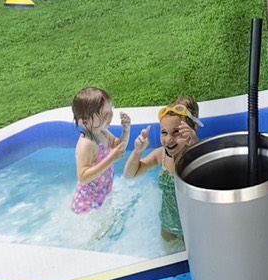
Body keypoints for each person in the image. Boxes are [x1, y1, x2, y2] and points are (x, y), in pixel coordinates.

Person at [125, 97, 200, 240]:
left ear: (193, 129)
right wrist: (137, 152)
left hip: (193, 226)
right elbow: (130, 174)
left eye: (176, 132)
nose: (168, 139)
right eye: (164, 132)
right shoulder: (161, 155)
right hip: (168, 224)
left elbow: (211, 183)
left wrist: (196, 146)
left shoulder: (198, 156)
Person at [72, 86, 129, 215]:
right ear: (84, 120)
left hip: (102, 195)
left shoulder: (102, 132)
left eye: (110, 110)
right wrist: (111, 158)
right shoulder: (86, 144)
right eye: (104, 114)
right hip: (87, 204)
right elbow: (83, 177)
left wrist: (126, 130)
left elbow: (120, 148)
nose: (110, 116)